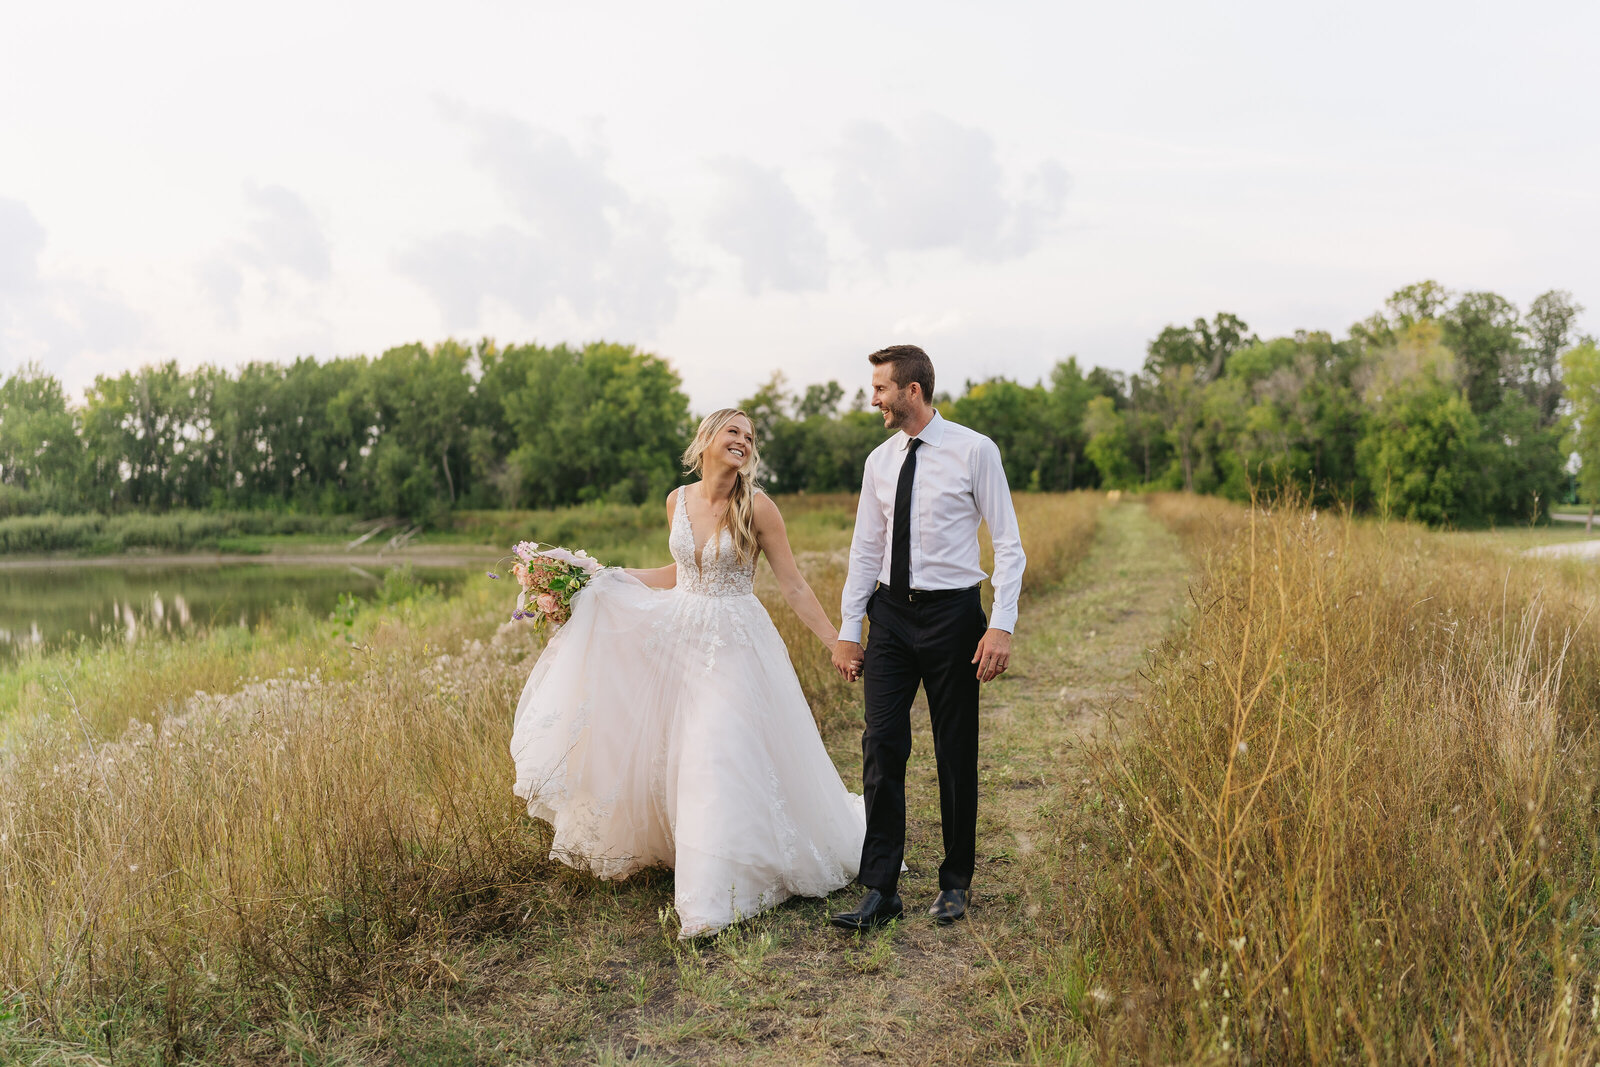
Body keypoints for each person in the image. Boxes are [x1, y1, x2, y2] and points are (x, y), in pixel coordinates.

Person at [509, 409, 866, 939]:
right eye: (733, 432)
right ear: (707, 440)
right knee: (680, 749)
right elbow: (679, 573)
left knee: (715, 746)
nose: (743, 441)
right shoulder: (677, 501)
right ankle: (701, 856)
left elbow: (791, 585)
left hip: (736, 641)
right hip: (680, 634)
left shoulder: (759, 507)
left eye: (749, 436)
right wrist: (601, 577)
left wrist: (838, 640)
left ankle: (714, 895)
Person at [829, 345, 1026, 930]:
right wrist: (849, 629)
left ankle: (956, 880)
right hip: (889, 616)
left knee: (954, 750)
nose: (874, 399)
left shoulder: (974, 450)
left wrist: (1001, 624)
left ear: (912, 390)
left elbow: (1009, 544)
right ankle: (881, 888)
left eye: (881, 388)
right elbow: (865, 548)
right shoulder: (879, 461)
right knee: (881, 745)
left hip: (953, 618)